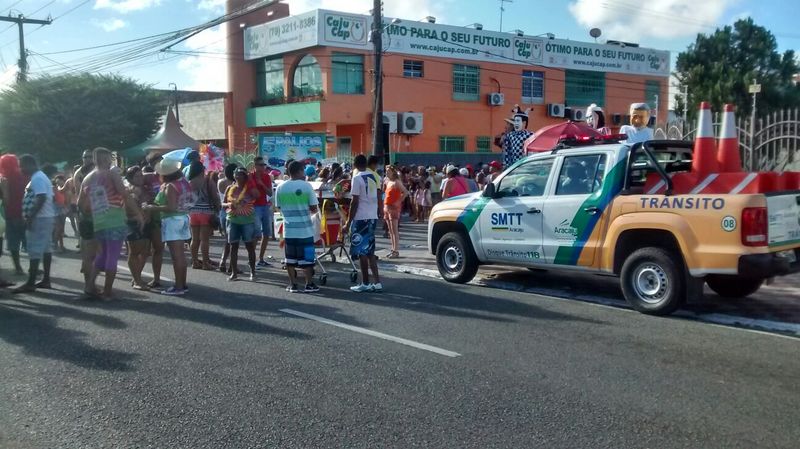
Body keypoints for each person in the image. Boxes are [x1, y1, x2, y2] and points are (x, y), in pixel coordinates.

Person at [78, 148, 139, 300]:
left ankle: (89, 286)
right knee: (112, 256)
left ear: (94, 160)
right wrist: (137, 213)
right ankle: (107, 291)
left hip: (99, 221)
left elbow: (81, 204)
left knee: (102, 254)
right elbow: (123, 193)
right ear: (107, 160)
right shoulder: (112, 172)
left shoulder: (88, 178)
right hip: (114, 220)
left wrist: (93, 211)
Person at [144, 159, 191, 296]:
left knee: (176, 256)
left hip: (172, 220)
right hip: (183, 218)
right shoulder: (183, 183)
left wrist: (153, 208)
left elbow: (171, 207)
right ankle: (182, 284)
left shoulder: (170, 186)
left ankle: (178, 286)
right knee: (181, 255)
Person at [12, 155, 57, 294]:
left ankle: (30, 283)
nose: (20, 169)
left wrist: (31, 216)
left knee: (35, 248)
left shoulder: (37, 178)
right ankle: (46, 280)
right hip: (46, 217)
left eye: (22, 166)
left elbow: (41, 197)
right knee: (46, 248)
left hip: (40, 218)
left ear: (30, 164)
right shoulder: (41, 176)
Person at [274, 161, 319, 293]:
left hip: (289, 230)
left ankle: (293, 285)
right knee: (308, 259)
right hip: (305, 230)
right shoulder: (306, 186)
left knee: (290, 259)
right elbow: (314, 207)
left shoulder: (281, 187)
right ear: (299, 171)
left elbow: (279, 207)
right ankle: (309, 284)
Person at [346, 155, 382, 293]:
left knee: (361, 251)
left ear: (355, 165)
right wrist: (379, 211)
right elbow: (379, 195)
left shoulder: (357, 178)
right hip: (372, 217)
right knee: (370, 251)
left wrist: (348, 222)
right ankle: (377, 282)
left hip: (361, 218)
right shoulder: (374, 177)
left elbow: (354, 202)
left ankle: (365, 282)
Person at [222, 168, 258, 282]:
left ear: (244, 176)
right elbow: (222, 204)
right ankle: (234, 273)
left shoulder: (250, 189)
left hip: (247, 221)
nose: (237, 177)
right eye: (235, 174)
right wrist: (228, 204)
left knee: (250, 247)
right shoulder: (229, 188)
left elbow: (257, 195)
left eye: (240, 175)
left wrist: (251, 181)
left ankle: (252, 272)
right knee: (233, 247)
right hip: (232, 220)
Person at [187, 161, 219, 270]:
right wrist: (217, 209)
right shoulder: (207, 181)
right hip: (206, 212)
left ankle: (195, 261)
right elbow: (215, 197)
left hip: (193, 213)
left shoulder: (189, 182)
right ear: (201, 170)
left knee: (195, 239)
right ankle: (205, 263)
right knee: (204, 239)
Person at [124, 166, 151, 291]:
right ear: (130, 178)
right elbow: (128, 209)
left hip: (145, 223)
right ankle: (137, 280)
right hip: (133, 224)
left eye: (141, 175)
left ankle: (136, 277)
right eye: (137, 176)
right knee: (134, 252)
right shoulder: (130, 190)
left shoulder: (143, 189)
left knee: (145, 252)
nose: (140, 178)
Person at [0, 154, 26, 274]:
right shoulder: (24, 176)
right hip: (25, 213)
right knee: (28, 241)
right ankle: (34, 267)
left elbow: (6, 200)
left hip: (10, 214)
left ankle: (18, 268)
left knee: (13, 242)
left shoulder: (3, 179)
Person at [142, 154, 164, 289]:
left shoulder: (168, 177)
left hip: (161, 217)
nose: (160, 165)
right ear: (151, 165)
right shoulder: (148, 177)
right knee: (143, 251)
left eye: (161, 162)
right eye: (156, 163)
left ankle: (156, 279)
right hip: (147, 216)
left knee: (158, 249)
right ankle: (137, 277)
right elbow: (131, 184)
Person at [249, 156, 274, 268]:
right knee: (256, 234)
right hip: (254, 207)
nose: (263, 167)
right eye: (260, 165)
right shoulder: (250, 176)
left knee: (267, 234)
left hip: (264, 206)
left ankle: (261, 259)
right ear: (255, 166)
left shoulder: (267, 177)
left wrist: (262, 184)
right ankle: (251, 259)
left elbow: (270, 193)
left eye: (264, 165)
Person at [383, 166, 408, 259]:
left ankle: (396, 250)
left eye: (388, 171)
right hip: (387, 207)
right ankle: (393, 249)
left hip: (393, 208)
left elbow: (405, 192)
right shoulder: (387, 181)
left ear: (393, 172)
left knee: (394, 230)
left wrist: (398, 201)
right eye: (386, 171)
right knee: (390, 230)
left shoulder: (397, 182)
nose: (387, 173)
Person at [217, 163, 236, 272]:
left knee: (227, 239)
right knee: (233, 241)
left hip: (222, 212)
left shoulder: (220, 182)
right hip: (232, 212)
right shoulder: (234, 185)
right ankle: (227, 264)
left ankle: (224, 262)